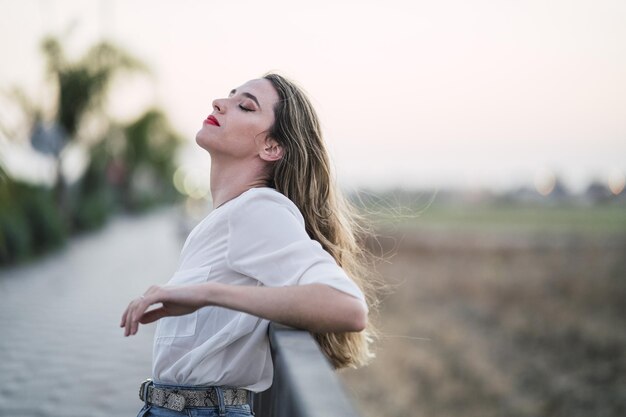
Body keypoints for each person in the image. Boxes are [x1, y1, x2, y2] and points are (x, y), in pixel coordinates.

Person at [120, 73, 376, 417]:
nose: (219, 103)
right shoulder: (229, 215)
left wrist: (206, 293)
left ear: (271, 146)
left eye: (245, 106)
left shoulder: (258, 210)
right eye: (230, 95)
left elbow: (348, 307)